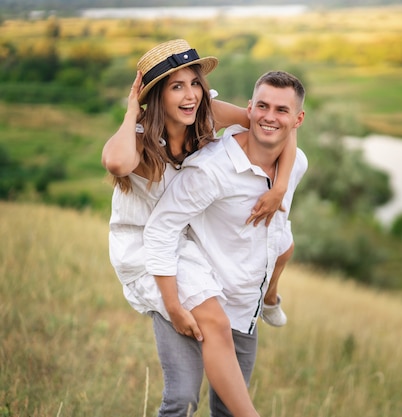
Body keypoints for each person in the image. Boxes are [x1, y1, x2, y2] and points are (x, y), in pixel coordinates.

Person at [102, 39, 295, 417]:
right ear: (155, 96)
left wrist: (281, 188)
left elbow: (275, 124)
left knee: (282, 243)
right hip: (145, 247)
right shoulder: (140, 142)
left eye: (195, 83)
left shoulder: (205, 115)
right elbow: (115, 162)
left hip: (185, 236)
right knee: (215, 325)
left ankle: (269, 297)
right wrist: (131, 110)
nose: (191, 95)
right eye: (177, 87)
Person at [143, 70, 307, 417]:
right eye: (262, 106)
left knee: (229, 411)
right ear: (249, 108)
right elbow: (159, 230)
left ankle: (270, 297)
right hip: (198, 295)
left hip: (244, 307)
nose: (269, 117)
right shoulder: (211, 170)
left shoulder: (297, 164)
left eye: (282, 110)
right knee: (181, 403)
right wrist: (173, 305)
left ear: (298, 119)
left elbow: (276, 233)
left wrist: (278, 190)